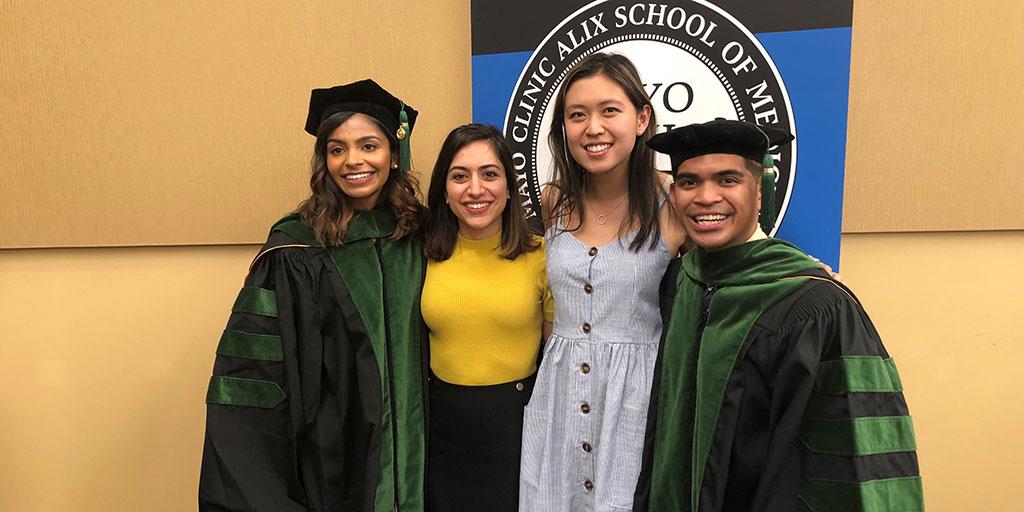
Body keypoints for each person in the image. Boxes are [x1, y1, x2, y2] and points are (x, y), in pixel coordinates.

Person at [634, 119, 923, 511]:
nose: (705, 197)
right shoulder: (682, 284)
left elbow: (846, 461)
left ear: (759, 191)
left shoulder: (816, 307)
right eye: (689, 182)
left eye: (727, 180)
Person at [199, 79, 428, 512]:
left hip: (424, 464)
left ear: (394, 155)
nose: (353, 161)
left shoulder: (421, 236)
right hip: (333, 467)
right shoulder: (294, 250)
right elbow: (252, 381)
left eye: (368, 145)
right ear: (324, 160)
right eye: (337, 149)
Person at [519, 52, 686, 512]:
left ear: (642, 118)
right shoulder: (554, 201)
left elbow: (744, 252)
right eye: (578, 115)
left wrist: (806, 271)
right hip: (558, 399)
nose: (593, 127)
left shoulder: (673, 199)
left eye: (609, 110)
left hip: (637, 401)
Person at [420, 124, 554, 511]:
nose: (475, 189)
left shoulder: (543, 256)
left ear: (510, 188)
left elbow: (556, 358)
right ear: (444, 191)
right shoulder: (421, 254)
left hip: (518, 428)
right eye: (459, 176)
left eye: (490, 174)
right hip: (441, 431)